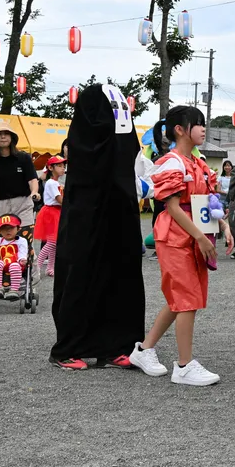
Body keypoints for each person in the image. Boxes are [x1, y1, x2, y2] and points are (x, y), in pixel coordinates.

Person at [130, 106, 233, 386]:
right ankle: (184, 365)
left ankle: (144, 349)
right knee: (186, 298)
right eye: (198, 124)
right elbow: (172, 206)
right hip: (176, 236)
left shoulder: (196, 163)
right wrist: (200, 236)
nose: (203, 129)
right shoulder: (173, 162)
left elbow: (206, 203)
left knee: (182, 299)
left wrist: (222, 226)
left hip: (192, 234)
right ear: (180, 129)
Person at [50, 85, 145, 371]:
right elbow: (94, 159)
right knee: (81, 276)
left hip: (121, 214)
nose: (116, 117)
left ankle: (117, 346)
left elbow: (131, 163)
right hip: (87, 216)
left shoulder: (125, 137)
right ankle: (68, 347)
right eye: (110, 109)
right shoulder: (82, 139)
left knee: (121, 278)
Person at [0, 122, 40, 225]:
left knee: (24, 237)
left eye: (6, 133)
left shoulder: (24, 158)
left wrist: (34, 192)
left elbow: (32, 180)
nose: (3, 136)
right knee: (0, 239)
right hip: (0, 204)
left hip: (23, 203)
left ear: (11, 137)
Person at [33, 156, 66, 277]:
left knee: (54, 242)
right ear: (51, 168)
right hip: (51, 213)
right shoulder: (52, 183)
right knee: (52, 242)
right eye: (59, 166)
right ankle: (37, 266)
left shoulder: (56, 183)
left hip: (56, 212)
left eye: (63, 166)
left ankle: (50, 268)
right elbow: (60, 199)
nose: (63, 168)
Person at [0, 214, 28, 301]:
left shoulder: (21, 241)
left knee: (14, 265)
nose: (8, 231)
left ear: (18, 229)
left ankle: (14, 289)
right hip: (2, 264)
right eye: (4, 228)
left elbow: (23, 252)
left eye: (11, 228)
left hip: (17, 264)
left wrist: (22, 259)